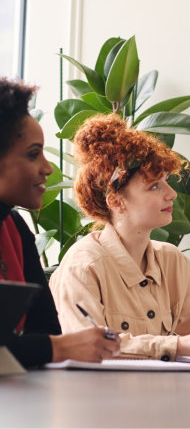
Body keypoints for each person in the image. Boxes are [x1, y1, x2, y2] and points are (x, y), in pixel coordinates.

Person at [50, 113, 190, 361]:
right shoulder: (83, 266)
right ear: (116, 202)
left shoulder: (173, 261)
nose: (172, 194)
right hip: (98, 398)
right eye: (155, 186)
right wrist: (178, 345)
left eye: (166, 181)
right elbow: (86, 348)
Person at [0, 77, 121, 367]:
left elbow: (45, 329)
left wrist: (52, 345)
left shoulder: (16, 229)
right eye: (33, 154)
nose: (47, 167)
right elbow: (51, 341)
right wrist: (58, 347)